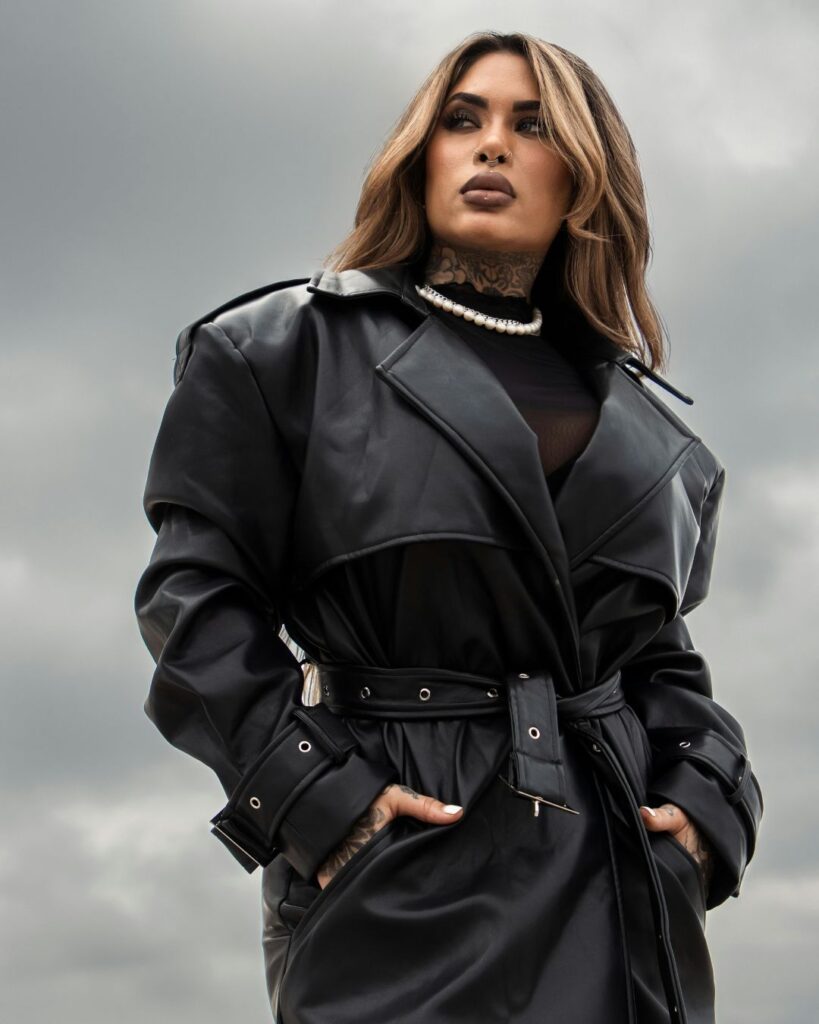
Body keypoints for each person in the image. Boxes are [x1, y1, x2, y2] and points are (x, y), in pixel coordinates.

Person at [134, 30, 763, 1024]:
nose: (491, 144)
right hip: (403, 865)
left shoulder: (663, 443)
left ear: (585, 176)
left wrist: (708, 806)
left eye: (533, 126)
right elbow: (192, 604)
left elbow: (658, 659)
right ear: (418, 154)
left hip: (621, 884)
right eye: (462, 119)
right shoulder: (280, 354)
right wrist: (322, 801)